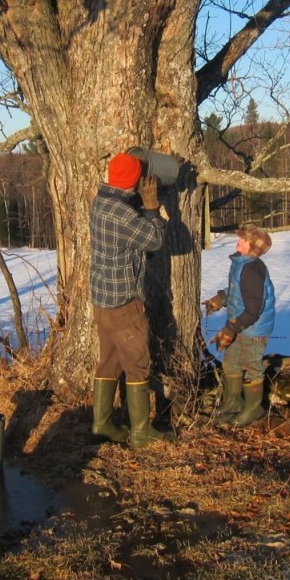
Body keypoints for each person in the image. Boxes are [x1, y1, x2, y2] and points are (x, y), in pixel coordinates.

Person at [90, 151, 174, 448]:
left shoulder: (101, 200)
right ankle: (141, 432)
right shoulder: (123, 214)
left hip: (102, 299)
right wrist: (151, 208)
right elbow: (153, 240)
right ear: (133, 182)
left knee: (109, 362)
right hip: (124, 302)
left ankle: (101, 424)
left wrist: (136, 198)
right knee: (138, 364)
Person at [203, 227, 275, 427]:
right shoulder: (241, 263)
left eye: (242, 239)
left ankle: (253, 409)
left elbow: (253, 309)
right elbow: (238, 290)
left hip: (253, 328)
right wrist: (222, 298)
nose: (237, 241)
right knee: (231, 362)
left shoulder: (252, 269)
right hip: (238, 324)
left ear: (251, 247)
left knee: (252, 365)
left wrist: (231, 329)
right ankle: (233, 403)